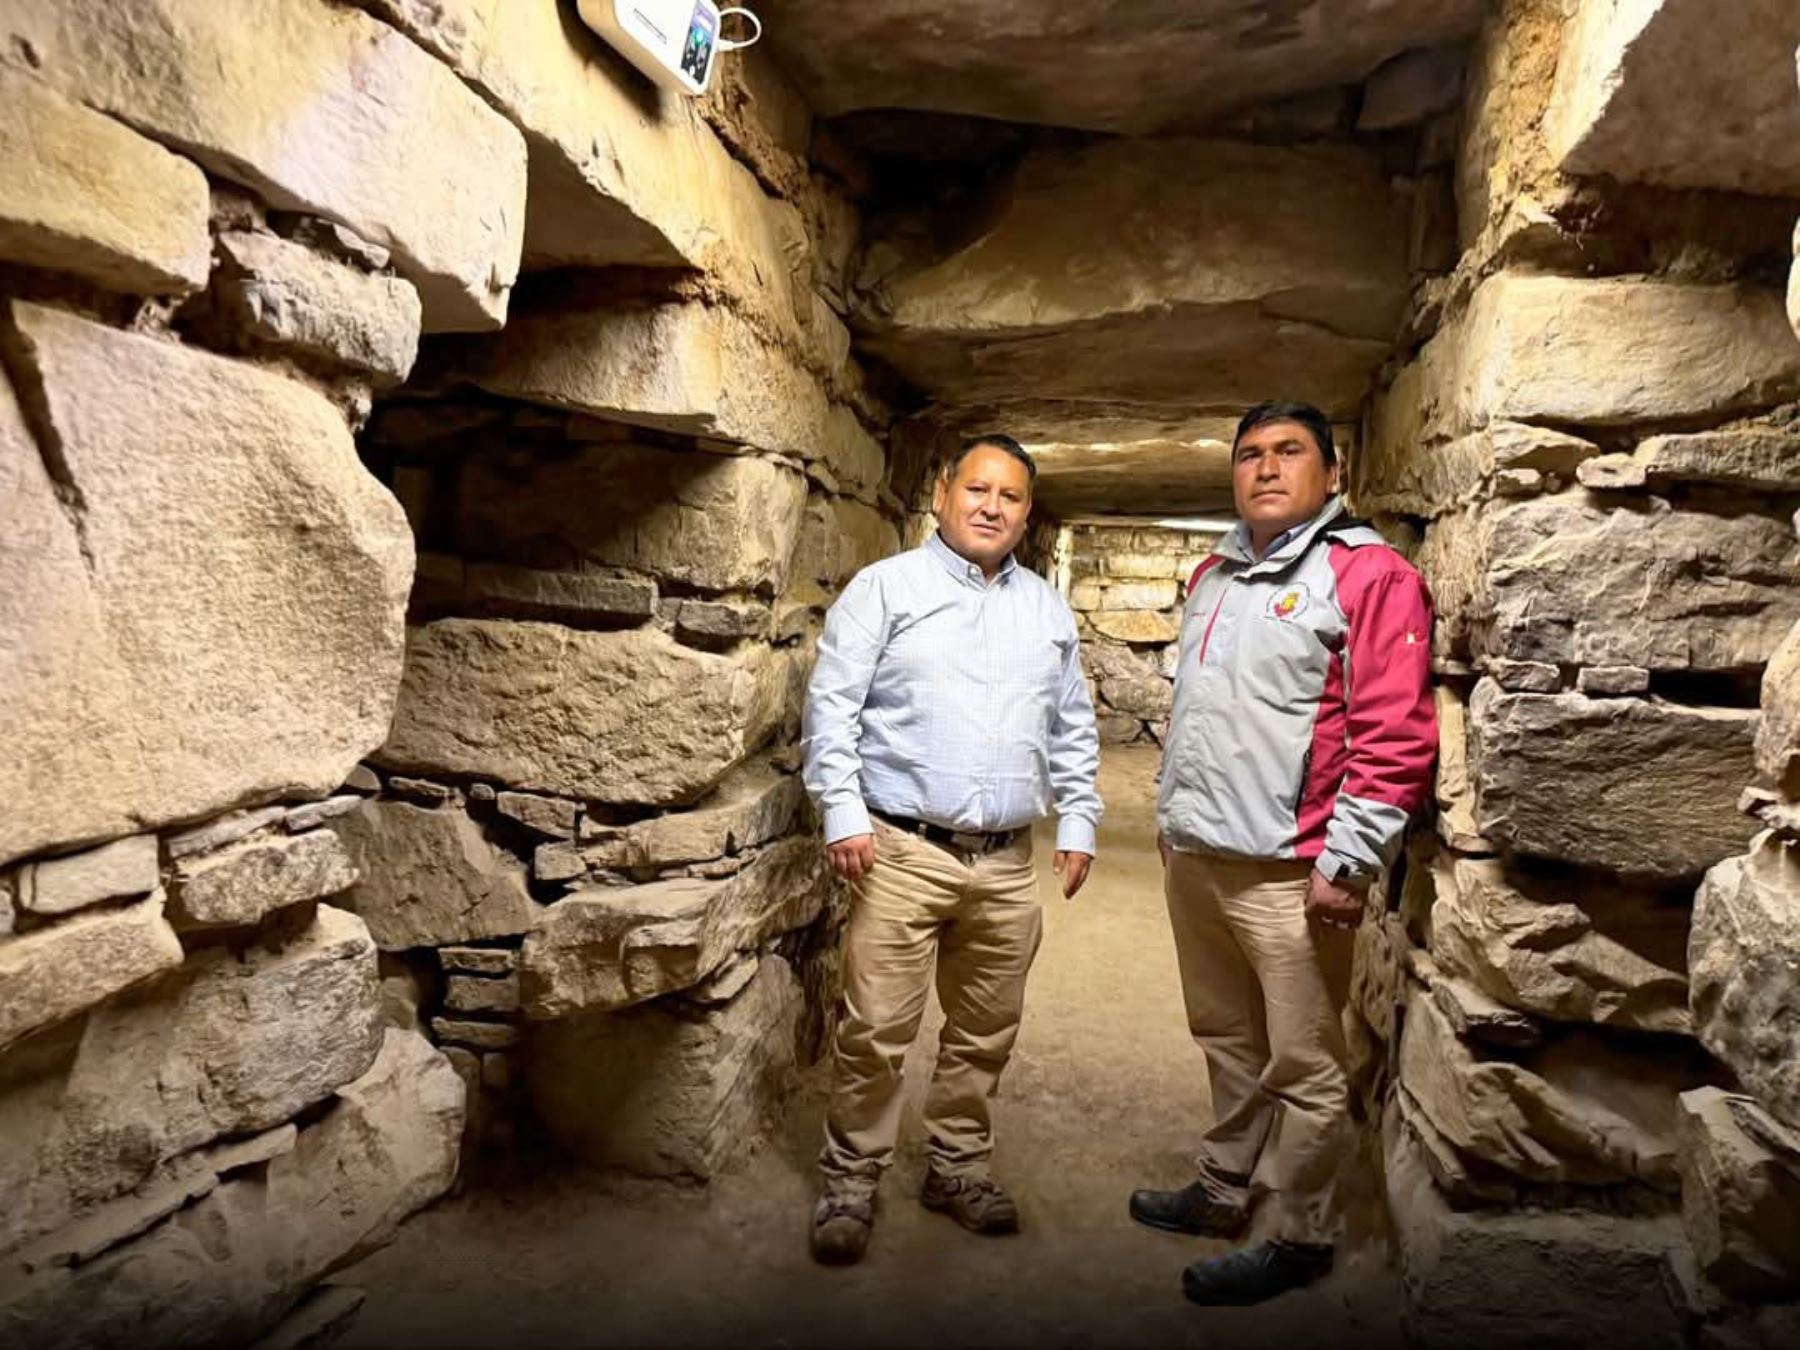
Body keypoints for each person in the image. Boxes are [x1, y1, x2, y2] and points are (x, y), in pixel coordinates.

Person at [1131, 400, 1435, 1306]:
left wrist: (1348, 864)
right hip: (1199, 856)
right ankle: (1224, 1187)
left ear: (1332, 474)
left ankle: (1301, 1235)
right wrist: (1169, 819)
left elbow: (1393, 734)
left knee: (1303, 1066)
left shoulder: (1369, 576)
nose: (1265, 468)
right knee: (1224, 1035)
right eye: (1249, 455)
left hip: (1292, 871)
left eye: (1289, 452)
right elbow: (1200, 716)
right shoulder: (1213, 575)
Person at [801, 433, 1102, 1266]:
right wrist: (843, 812)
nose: (991, 506)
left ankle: (957, 1168)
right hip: (901, 850)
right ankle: (851, 1181)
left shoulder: (1045, 607)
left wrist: (1078, 819)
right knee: (875, 1031)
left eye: (1009, 497)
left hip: (1006, 863)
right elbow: (833, 707)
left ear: (1026, 514)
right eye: (977, 489)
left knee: (983, 1032)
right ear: (942, 492)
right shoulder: (885, 589)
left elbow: (1072, 724)